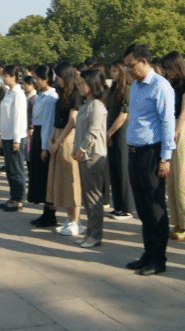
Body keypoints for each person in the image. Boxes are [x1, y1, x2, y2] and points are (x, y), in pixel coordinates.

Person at [123, 43, 176, 276]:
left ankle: (158, 259)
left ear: (144, 62)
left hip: (152, 153)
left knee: (155, 208)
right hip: (134, 151)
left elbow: (168, 122)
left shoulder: (160, 86)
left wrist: (166, 157)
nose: (129, 70)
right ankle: (148, 252)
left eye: (131, 65)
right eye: (126, 67)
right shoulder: (135, 86)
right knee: (143, 208)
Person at [72, 68, 109, 248]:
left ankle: (96, 235)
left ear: (92, 84)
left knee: (94, 197)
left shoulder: (97, 106)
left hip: (93, 155)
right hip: (83, 155)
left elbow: (93, 132)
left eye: (83, 83)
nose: (79, 86)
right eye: (78, 84)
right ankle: (89, 232)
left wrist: (82, 149)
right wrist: (76, 149)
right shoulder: (86, 104)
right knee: (87, 198)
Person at [161, 51, 185, 241]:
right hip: (168, 132)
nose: (167, 72)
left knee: (183, 181)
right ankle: (176, 223)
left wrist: (173, 134)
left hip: (181, 132)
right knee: (171, 182)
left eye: (169, 68)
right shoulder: (168, 84)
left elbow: (184, 113)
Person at [46, 62, 82, 236]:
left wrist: (58, 141)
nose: (57, 80)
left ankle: (76, 221)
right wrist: (51, 140)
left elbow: (72, 121)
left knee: (71, 180)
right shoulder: (61, 93)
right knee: (61, 180)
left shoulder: (75, 93)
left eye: (59, 76)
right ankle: (69, 219)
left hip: (68, 138)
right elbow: (57, 120)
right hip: (58, 136)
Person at [28, 66, 59, 227]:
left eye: (37, 79)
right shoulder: (41, 96)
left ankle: (50, 215)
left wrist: (45, 147)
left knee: (46, 177)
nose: (35, 81)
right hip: (38, 136)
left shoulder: (51, 98)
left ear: (46, 80)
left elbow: (48, 124)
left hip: (44, 138)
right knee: (39, 177)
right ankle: (45, 213)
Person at [106, 60, 135, 219]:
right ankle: (117, 206)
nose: (112, 74)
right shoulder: (114, 89)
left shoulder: (128, 89)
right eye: (111, 71)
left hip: (121, 130)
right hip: (111, 130)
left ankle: (127, 208)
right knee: (114, 170)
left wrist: (110, 133)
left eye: (115, 71)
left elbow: (123, 115)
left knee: (123, 169)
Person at [0, 65, 28, 212]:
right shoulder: (8, 92)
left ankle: (19, 200)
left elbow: (18, 118)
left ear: (13, 77)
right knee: (10, 169)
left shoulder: (18, 94)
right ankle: (13, 196)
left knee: (16, 169)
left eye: (6, 76)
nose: (3, 78)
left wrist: (16, 139)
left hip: (15, 137)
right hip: (7, 136)